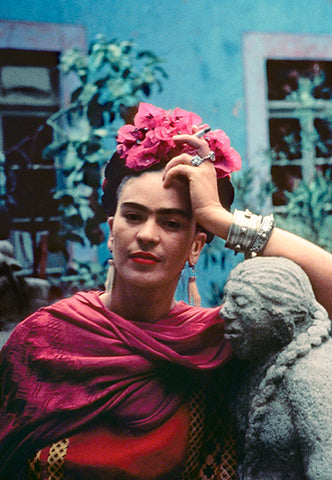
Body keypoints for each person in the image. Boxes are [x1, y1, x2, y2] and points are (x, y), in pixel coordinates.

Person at [0, 102, 331, 480]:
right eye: (133, 216)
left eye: (172, 223)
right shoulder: (42, 341)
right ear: (111, 232)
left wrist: (219, 218)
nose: (146, 234)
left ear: (196, 246)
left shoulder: (216, 345)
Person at [220, 256, 332, 480]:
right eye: (226, 298)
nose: (224, 311)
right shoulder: (256, 361)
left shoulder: (311, 376)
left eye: (241, 301)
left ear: (284, 314)